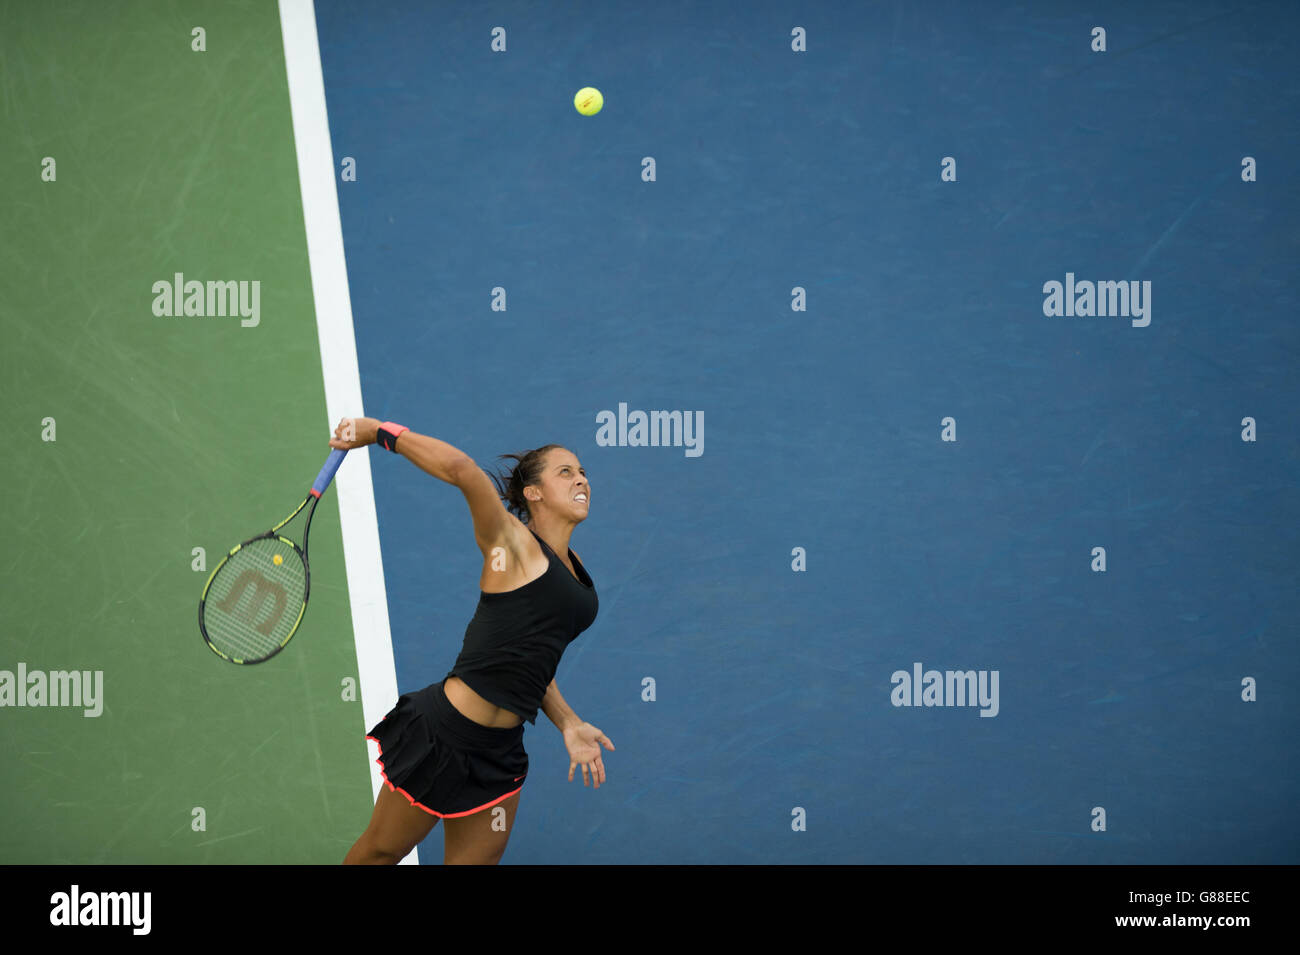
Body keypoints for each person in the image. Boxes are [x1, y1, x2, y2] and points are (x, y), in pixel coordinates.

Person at [332, 417, 614, 865]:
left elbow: (531, 662)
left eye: (583, 472)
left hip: (499, 756)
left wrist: (568, 722)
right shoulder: (511, 542)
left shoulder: (576, 571)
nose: (581, 479)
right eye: (565, 472)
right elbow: (463, 469)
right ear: (533, 493)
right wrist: (377, 432)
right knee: (380, 854)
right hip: (442, 736)